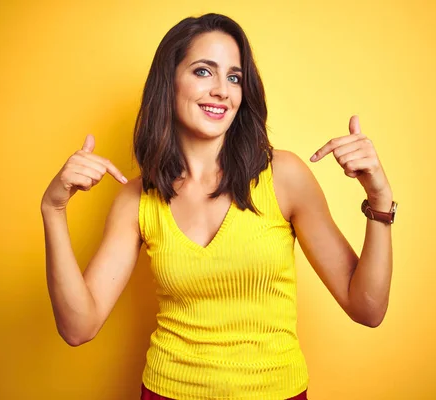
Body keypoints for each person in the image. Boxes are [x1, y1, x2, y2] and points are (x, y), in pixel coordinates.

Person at [40, 13, 395, 400]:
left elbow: (368, 310)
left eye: (233, 77)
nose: (222, 90)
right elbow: (79, 327)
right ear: (169, 82)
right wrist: (53, 210)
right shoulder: (137, 198)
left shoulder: (283, 177)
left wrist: (379, 201)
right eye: (203, 72)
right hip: (166, 391)